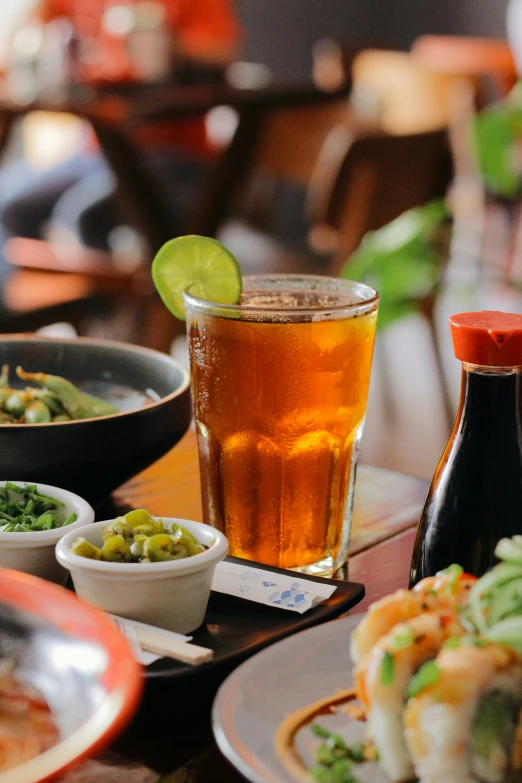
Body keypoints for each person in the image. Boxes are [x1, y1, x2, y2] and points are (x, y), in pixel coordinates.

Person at [0, 0, 241, 276]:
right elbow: (32, 24)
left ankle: (109, 314)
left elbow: (222, 53)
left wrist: (160, 41)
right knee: (11, 203)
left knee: (83, 214)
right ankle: (43, 308)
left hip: (173, 153)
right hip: (95, 151)